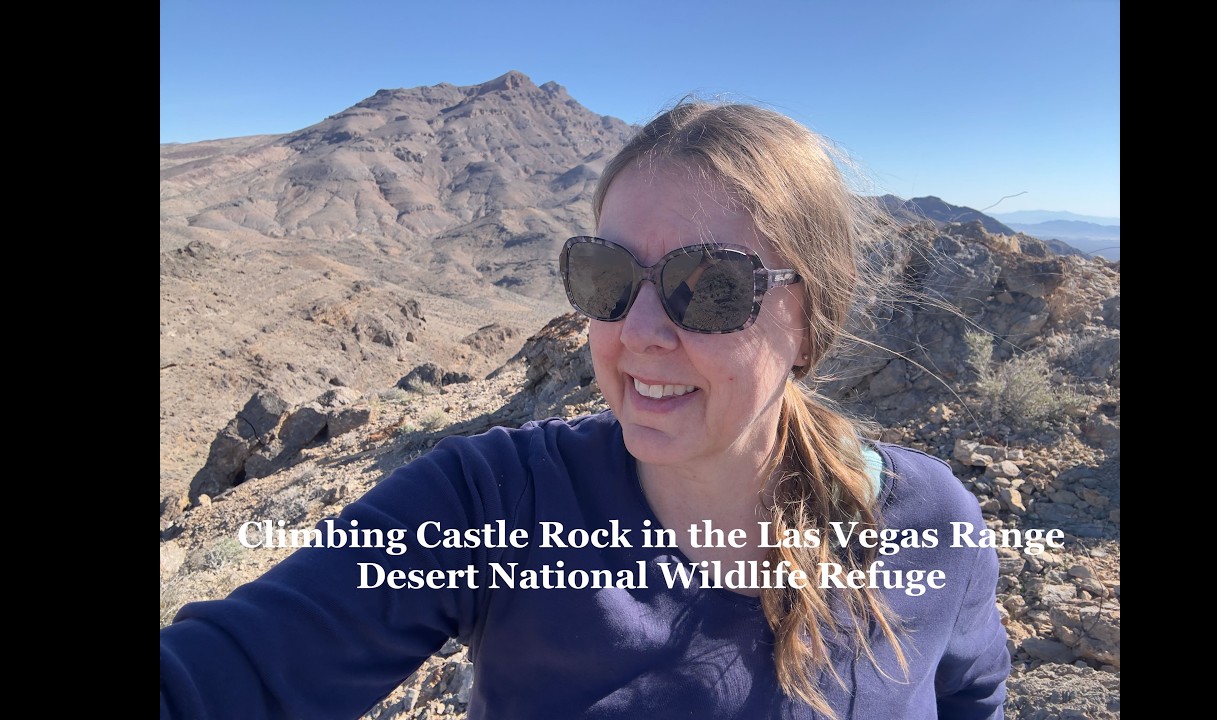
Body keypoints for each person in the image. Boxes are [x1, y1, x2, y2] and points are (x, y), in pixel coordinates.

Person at [161, 101, 1010, 719]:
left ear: (811, 314)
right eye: (606, 277)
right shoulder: (493, 503)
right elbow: (231, 677)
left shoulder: (931, 522)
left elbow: (973, 701)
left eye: (708, 287)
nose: (638, 333)